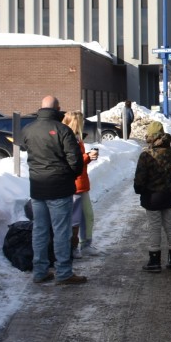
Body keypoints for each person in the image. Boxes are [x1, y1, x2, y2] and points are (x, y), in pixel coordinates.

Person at [21, 95, 87, 285]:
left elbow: (25, 147)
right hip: (59, 187)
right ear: (57, 108)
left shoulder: (28, 129)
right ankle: (64, 272)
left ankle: (40, 271)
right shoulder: (62, 130)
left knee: (40, 231)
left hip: (37, 187)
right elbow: (75, 161)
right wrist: (70, 176)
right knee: (61, 231)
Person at [134, 121, 171, 271]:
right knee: (170, 226)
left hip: (152, 197)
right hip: (168, 195)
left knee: (154, 228)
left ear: (151, 136)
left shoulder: (146, 155)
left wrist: (139, 189)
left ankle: (154, 261)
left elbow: (139, 180)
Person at [62, 110, 101, 258]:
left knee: (87, 216)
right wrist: (86, 157)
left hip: (82, 183)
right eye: (81, 121)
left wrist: (88, 157)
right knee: (75, 219)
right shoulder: (69, 139)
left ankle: (85, 244)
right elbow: (72, 162)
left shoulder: (78, 139)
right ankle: (73, 248)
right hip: (75, 184)